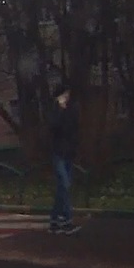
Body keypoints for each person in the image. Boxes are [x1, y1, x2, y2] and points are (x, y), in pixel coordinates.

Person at [47, 86, 80, 235]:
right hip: (58, 153)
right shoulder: (54, 111)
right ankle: (67, 222)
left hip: (68, 153)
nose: (67, 96)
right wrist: (59, 109)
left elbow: (74, 129)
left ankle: (54, 221)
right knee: (65, 185)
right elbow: (53, 127)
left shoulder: (70, 111)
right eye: (65, 94)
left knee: (62, 188)